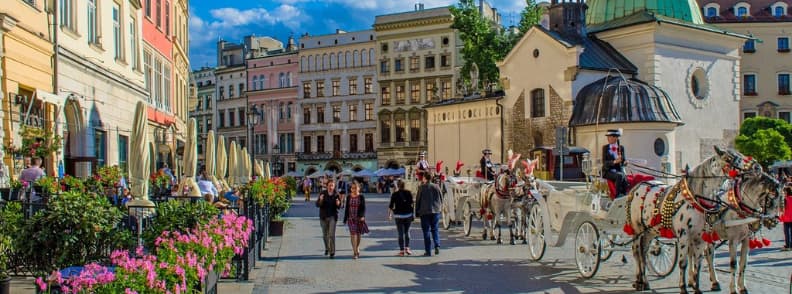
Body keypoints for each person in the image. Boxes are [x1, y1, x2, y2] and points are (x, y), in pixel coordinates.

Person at [415, 171, 443, 256]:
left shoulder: (421, 187)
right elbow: (441, 198)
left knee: (426, 231)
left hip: (424, 212)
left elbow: (418, 200)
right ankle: (437, 245)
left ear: (425, 178)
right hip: (435, 211)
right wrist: (439, 208)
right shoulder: (436, 186)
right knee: (435, 229)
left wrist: (416, 212)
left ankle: (428, 251)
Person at [389, 180, 414, 256]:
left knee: (400, 233)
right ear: (404, 185)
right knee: (407, 232)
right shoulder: (409, 193)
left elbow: (391, 205)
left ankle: (401, 250)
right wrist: (413, 213)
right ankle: (407, 248)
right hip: (408, 215)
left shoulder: (394, 194)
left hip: (398, 216)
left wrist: (389, 215)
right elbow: (412, 204)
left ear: (398, 186)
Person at [316, 180, 342, 258]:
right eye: (329, 185)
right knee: (325, 235)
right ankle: (327, 248)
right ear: (327, 186)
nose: (331, 187)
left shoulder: (336, 194)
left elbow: (339, 206)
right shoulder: (323, 193)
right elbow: (317, 205)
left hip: (332, 217)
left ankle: (332, 252)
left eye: (332, 186)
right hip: (323, 217)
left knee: (331, 235)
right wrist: (320, 200)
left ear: (334, 187)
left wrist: (338, 204)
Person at [343, 181, 368, 259]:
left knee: (358, 234)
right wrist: (345, 218)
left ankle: (357, 247)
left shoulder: (361, 197)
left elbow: (363, 207)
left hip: (359, 218)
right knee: (353, 234)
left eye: (355, 188)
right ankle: (355, 252)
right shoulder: (349, 197)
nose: (354, 189)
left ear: (359, 188)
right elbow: (347, 208)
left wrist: (362, 216)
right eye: (352, 188)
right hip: (351, 218)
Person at [602, 129, 629, 198]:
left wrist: (624, 162)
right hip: (608, 171)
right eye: (608, 137)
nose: (608, 138)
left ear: (615, 138)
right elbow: (604, 163)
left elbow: (623, 160)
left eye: (610, 136)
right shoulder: (605, 148)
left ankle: (625, 194)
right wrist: (614, 162)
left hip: (618, 170)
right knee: (619, 175)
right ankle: (617, 195)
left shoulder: (621, 148)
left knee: (625, 178)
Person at [781, 184, 792, 251]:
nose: (784, 193)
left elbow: (783, 209)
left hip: (787, 218)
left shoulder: (785, 199)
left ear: (787, 192)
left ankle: (788, 245)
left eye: (785, 191)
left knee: (787, 232)